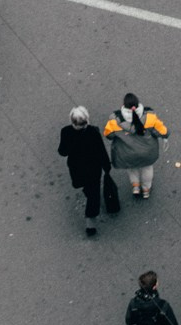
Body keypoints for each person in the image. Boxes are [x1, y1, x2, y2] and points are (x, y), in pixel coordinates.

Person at [58, 105, 113, 235]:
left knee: (86, 187)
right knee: (94, 196)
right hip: (93, 168)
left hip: (76, 168)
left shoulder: (65, 131)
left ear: (72, 120)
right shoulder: (93, 132)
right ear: (87, 119)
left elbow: (62, 152)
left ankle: (87, 191)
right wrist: (107, 167)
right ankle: (90, 224)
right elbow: (101, 151)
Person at [104, 93, 169, 198]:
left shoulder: (114, 121)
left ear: (124, 106)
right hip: (147, 153)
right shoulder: (149, 117)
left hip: (127, 153)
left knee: (132, 168)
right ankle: (146, 189)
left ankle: (135, 186)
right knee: (147, 168)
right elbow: (162, 131)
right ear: (138, 104)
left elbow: (109, 135)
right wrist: (166, 135)